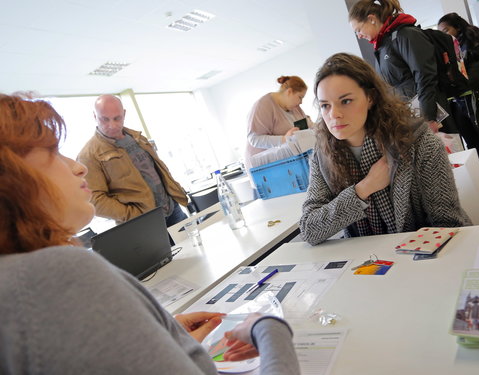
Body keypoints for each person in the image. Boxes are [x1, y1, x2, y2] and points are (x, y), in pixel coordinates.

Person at [0, 94, 301, 374]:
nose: (77, 168)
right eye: (54, 152)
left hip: (168, 210)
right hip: (144, 217)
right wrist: (267, 327)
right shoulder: (59, 272)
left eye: (117, 118)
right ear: (11, 178)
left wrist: (156, 331)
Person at [299, 53, 471, 245]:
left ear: (370, 97)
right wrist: (364, 189)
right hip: (366, 261)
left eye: (346, 101)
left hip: (425, 257)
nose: (334, 114)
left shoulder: (419, 143)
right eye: (325, 106)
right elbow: (309, 229)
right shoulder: (323, 156)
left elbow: (449, 225)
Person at [349, 0, 479, 159]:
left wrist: (428, 117)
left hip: (432, 115)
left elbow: (425, 78)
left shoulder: (407, 35)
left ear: (371, 18)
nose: (359, 35)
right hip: (412, 119)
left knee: (451, 164)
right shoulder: (383, 45)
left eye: (358, 29)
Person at [77, 94, 188, 226]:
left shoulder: (138, 137)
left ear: (124, 114)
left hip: (173, 209)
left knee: (193, 246)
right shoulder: (88, 155)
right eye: (104, 119)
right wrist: (133, 215)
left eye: (117, 118)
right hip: (143, 222)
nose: (111, 125)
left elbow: (157, 170)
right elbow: (94, 199)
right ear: (95, 117)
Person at [244, 75, 313, 171]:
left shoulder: (294, 107)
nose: (301, 102)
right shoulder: (263, 105)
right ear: (289, 92)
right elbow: (254, 139)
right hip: (266, 168)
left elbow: (309, 125)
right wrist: (284, 139)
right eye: (300, 97)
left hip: (291, 162)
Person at [438, 12, 479, 91]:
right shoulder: (456, 46)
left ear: (457, 27)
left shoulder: (471, 41)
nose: (444, 36)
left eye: (446, 31)